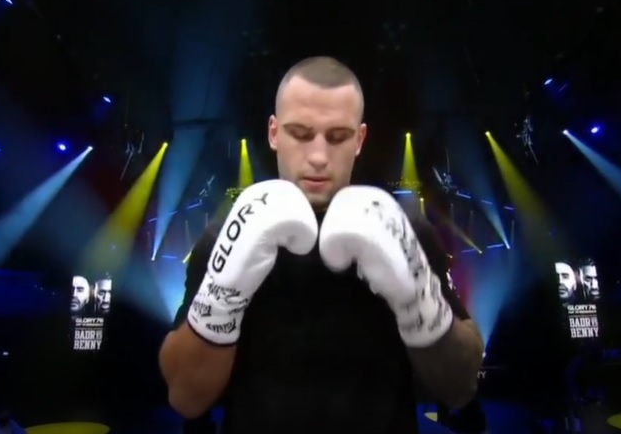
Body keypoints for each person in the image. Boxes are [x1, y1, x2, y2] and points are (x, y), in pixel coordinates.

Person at [158, 56, 485, 433]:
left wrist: (418, 300)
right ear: (274, 133)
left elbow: (460, 387)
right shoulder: (225, 236)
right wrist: (222, 295)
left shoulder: (405, 231)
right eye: (300, 134)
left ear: (359, 139)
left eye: (338, 137)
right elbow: (186, 396)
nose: (318, 156)